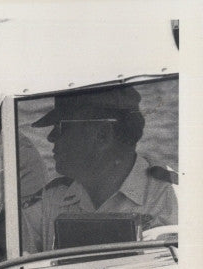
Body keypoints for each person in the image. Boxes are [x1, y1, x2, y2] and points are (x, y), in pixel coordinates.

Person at [22, 86, 178, 253]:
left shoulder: (173, 197)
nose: (50, 137)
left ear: (103, 134)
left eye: (61, 127)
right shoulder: (49, 201)